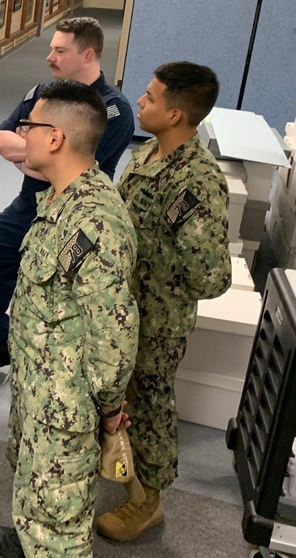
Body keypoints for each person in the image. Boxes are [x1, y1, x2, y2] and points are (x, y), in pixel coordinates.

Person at [0, 80, 138, 558]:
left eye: (29, 125)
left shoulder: (94, 221)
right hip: (39, 388)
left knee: (61, 531)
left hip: (65, 407)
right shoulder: (57, 199)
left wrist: (110, 411)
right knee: (35, 495)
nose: (21, 133)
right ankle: (29, 534)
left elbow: (114, 338)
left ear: (54, 138)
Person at [96, 62, 232, 542]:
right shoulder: (151, 153)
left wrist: (157, 275)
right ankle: (122, 473)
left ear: (175, 114)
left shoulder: (195, 182)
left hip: (156, 323)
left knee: (151, 411)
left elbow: (212, 275)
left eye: (150, 98)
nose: (140, 101)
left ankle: (147, 503)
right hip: (124, 311)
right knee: (121, 401)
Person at [0, 16, 134, 372]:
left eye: (60, 50)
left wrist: (33, 159)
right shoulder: (42, 94)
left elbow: (69, 167)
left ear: (88, 54)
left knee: (53, 291)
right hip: (28, 206)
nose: (50, 56)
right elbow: (0, 141)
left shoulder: (111, 109)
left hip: (71, 216)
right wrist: (38, 159)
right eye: (51, 48)